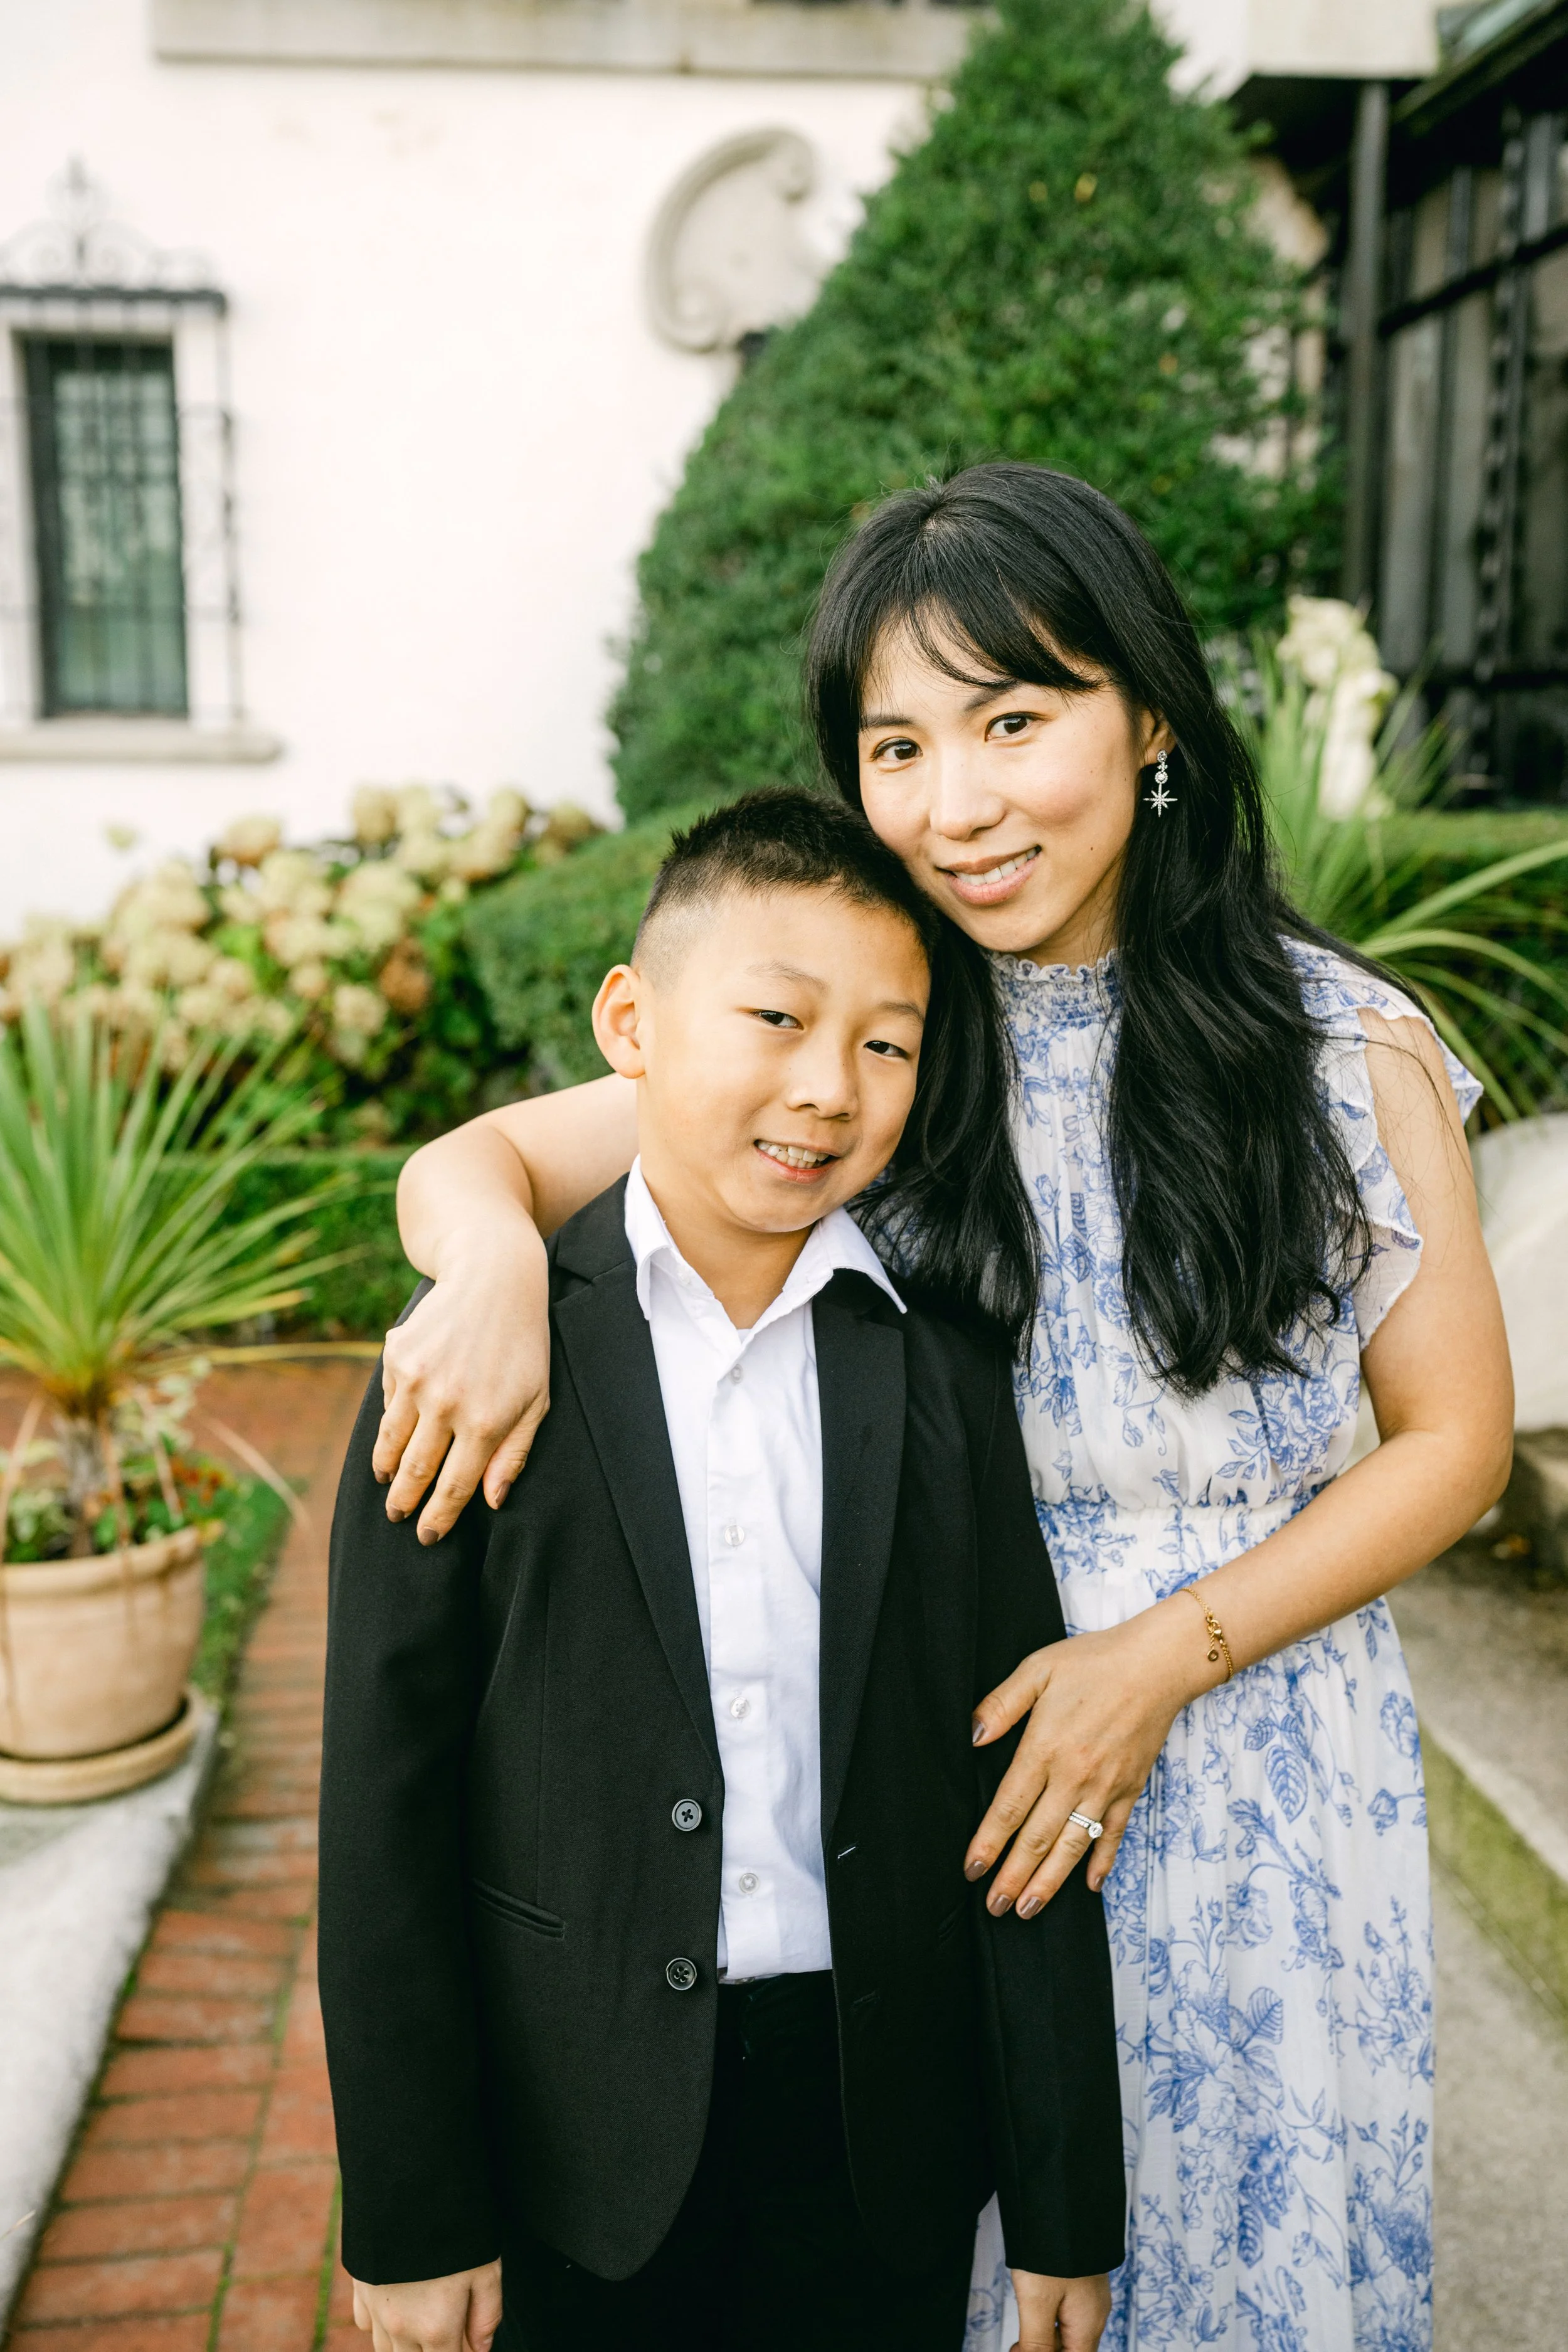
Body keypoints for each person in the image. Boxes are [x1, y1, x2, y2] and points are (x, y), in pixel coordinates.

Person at [371, 466, 1513, 2352]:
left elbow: (1453, 1442)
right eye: (895, 744)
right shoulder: (875, 1054)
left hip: (1259, 1772)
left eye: (1012, 718)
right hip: (937, 1766)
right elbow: (481, 1158)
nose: (955, 802)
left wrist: (1161, 1651)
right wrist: (487, 1269)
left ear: (1147, 714)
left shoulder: (1340, 1047)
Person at [319, 791, 1126, 2352]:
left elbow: (1014, 1792)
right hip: (576, 2149)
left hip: (875, 2135)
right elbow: (383, 1808)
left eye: (887, 1045)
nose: (827, 1090)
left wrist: (1059, 2195)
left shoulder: (937, 1373)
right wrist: (414, 2210)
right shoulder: (477, 1363)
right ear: (629, 1021)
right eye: (774, 1019)